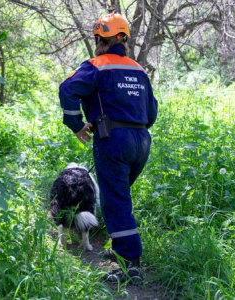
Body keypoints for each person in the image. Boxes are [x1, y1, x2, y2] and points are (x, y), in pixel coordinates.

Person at [58, 12, 158, 282]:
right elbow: (151, 113)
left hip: (113, 140)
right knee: (120, 198)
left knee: (116, 202)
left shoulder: (96, 65)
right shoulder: (138, 69)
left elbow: (67, 89)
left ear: (100, 39)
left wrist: (76, 124)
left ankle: (129, 266)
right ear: (123, 39)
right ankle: (121, 249)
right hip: (141, 141)